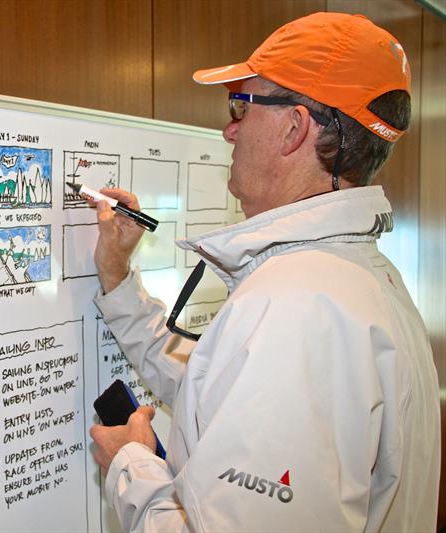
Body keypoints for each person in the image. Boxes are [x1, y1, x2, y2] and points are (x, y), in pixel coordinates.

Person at [89, 12, 440, 532]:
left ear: (295, 127)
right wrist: (119, 281)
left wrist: (131, 465)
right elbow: (218, 384)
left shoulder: (299, 307)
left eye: (241, 105)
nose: (229, 129)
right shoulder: (353, 276)